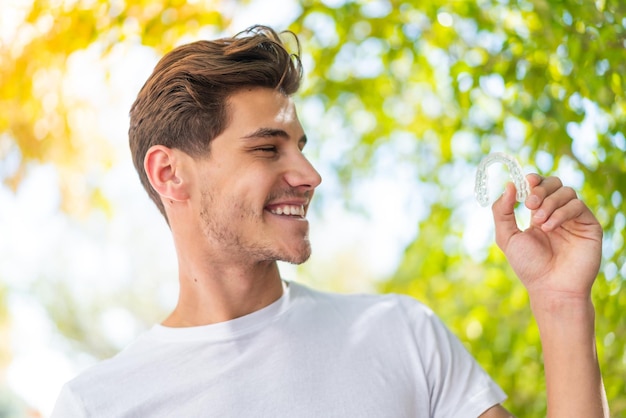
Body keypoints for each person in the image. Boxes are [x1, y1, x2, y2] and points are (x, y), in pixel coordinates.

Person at [51, 25, 609, 417]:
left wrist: (561, 305)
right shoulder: (99, 406)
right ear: (170, 174)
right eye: (268, 149)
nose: (310, 174)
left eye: (301, 146)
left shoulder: (401, 335)